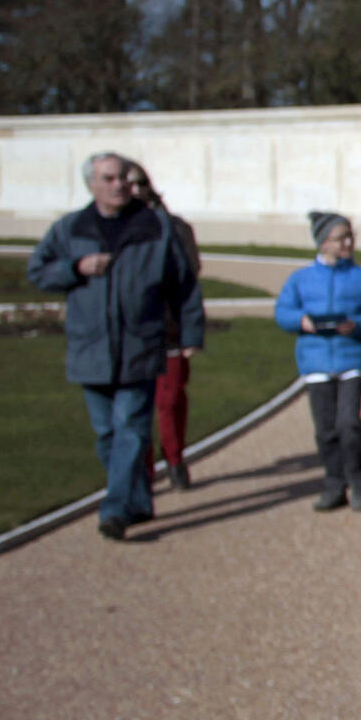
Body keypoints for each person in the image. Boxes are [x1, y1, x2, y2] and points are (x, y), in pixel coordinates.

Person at [27, 152, 207, 540]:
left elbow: (183, 284)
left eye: (124, 177)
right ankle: (138, 501)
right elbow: (38, 271)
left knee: (130, 429)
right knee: (108, 434)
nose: (120, 184)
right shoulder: (70, 228)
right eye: (109, 178)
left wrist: (190, 333)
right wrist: (75, 269)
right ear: (92, 184)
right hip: (91, 349)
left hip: (139, 346)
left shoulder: (155, 227)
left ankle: (115, 510)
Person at [273, 211, 361, 512]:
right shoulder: (300, 280)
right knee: (325, 429)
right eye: (341, 238)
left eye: (351, 236)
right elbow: (282, 312)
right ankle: (333, 485)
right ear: (323, 242)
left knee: (349, 424)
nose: (348, 242)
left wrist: (358, 324)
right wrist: (302, 321)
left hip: (351, 358)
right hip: (315, 363)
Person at [121, 159, 203, 491]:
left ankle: (175, 459)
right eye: (128, 184)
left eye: (140, 183)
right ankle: (143, 468)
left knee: (169, 401)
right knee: (132, 408)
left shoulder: (175, 227)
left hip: (167, 329)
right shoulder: (113, 230)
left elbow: (190, 275)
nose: (134, 190)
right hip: (129, 334)